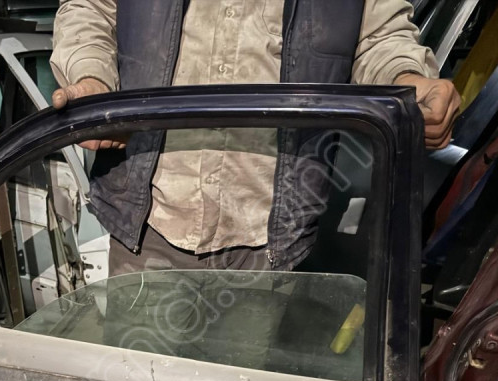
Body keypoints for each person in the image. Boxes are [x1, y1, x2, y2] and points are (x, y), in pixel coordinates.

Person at [50, 0, 461, 275]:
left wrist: (406, 81)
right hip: (150, 226)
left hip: (272, 243)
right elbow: (92, 8)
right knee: (137, 380)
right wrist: (93, 78)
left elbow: (377, 37)